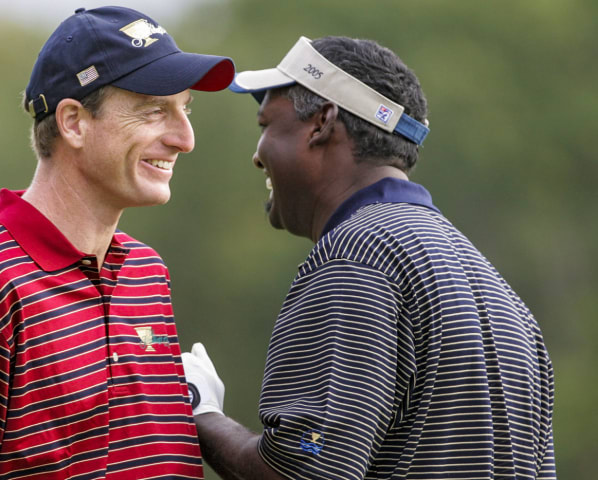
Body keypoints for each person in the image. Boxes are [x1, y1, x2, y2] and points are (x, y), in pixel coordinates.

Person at [182, 36, 556, 479]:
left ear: (321, 123)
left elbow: (299, 472)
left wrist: (201, 411)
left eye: (266, 125)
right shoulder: (495, 288)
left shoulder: (356, 258)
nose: (257, 155)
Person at [0, 6, 235, 479]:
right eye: (155, 110)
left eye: (186, 109)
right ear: (73, 122)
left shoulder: (146, 272)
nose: (185, 138)